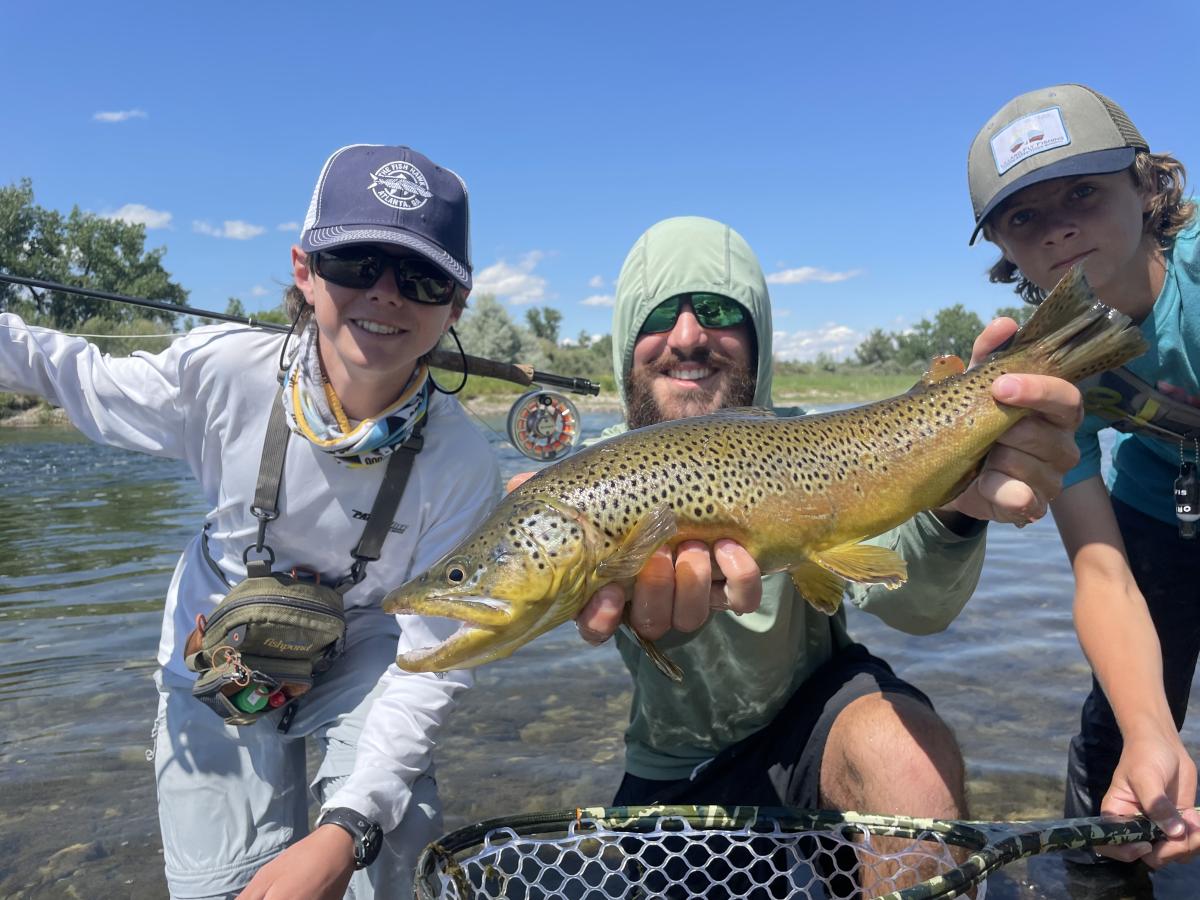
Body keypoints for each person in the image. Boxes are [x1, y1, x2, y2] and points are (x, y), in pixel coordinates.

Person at [504, 215, 1082, 885]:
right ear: (626, 344)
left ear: (759, 338)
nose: (688, 336)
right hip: (671, 763)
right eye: (660, 316)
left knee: (909, 765)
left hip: (818, 717)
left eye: (718, 311)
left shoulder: (823, 443)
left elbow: (919, 604)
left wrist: (954, 504)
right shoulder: (594, 480)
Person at [0, 144, 501, 899]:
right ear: (305, 270)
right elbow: (70, 375)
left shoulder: (464, 462)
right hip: (216, 641)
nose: (387, 294)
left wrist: (349, 827)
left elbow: (432, 666)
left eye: (423, 277)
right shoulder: (221, 373)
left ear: (455, 306)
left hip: (370, 644)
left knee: (384, 849)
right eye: (357, 263)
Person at [967, 83, 1200, 869]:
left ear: (1147, 185)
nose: (1060, 225)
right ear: (1003, 245)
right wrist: (1151, 732)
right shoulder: (1043, 368)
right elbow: (1102, 574)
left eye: (1084, 193)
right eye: (1024, 216)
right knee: (1124, 747)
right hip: (1154, 511)